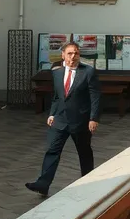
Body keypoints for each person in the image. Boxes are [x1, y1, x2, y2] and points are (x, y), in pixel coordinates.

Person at [26, 41, 101, 196]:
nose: (73, 57)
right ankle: (42, 184)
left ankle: (88, 182)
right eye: (70, 53)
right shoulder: (57, 73)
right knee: (52, 150)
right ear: (63, 55)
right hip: (60, 120)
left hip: (80, 121)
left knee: (84, 152)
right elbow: (57, 97)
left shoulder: (88, 72)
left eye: (76, 53)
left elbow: (95, 97)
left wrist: (93, 118)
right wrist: (52, 114)